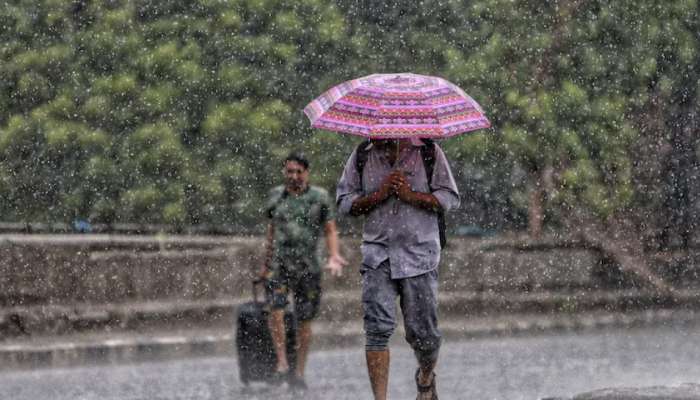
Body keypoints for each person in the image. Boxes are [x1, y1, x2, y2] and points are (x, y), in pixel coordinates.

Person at [336, 138, 459, 400]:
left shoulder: (428, 151)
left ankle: (425, 378)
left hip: (419, 256)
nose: (382, 137)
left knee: (425, 336)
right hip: (377, 256)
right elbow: (345, 202)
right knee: (377, 330)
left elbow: (449, 198)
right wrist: (378, 196)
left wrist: (411, 196)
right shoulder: (361, 154)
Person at [260, 151, 347, 390]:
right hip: (280, 265)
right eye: (290, 171)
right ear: (283, 172)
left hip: (309, 267)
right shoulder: (275, 197)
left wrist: (334, 255)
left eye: (299, 172)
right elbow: (271, 229)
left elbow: (330, 229)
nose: (294, 176)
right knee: (275, 310)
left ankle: (299, 370)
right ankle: (282, 363)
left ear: (307, 173)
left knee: (305, 320)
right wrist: (265, 263)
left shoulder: (319, 197)